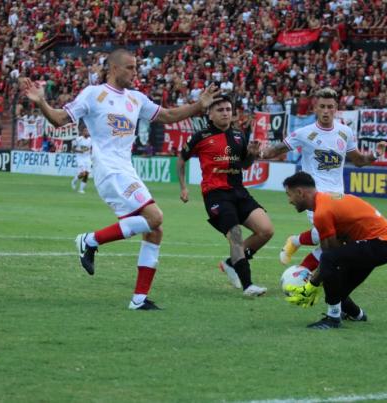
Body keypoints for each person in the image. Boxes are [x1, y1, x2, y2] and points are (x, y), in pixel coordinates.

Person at [19, 48, 221, 310]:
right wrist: (42, 103)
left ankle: (138, 300)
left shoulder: (136, 99)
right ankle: (89, 240)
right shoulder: (94, 94)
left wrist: (199, 105)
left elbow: (169, 116)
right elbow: (59, 120)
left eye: (136, 67)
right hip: (109, 170)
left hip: (126, 170)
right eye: (130, 67)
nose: (135, 72)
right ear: (113, 68)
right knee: (155, 217)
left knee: (155, 231)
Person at [259, 87, 387, 271]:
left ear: (336, 109)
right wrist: (259, 152)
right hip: (315, 196)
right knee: (331, 239)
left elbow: (358, 161)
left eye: (330, 107)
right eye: (322, 106)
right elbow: (276, 150)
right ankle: (302, 274)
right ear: (315, 108)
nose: (326, 111)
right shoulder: (304, 133)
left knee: (338, 239)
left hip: (338, 196)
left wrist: (374, 155)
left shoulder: (345, 132)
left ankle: (296, 246)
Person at [177, 95, 272, 297]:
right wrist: (183, 187)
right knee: (235, 236)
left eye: (228, 109)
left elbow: (244, 165)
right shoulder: (200, 137)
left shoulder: (239, 135)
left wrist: (252, 154)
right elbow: (181, 159)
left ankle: (232, 263)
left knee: (266, 230)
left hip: (239, 192)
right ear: (210, 114)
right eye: (220, 110)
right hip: (216, 195)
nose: (225, 113)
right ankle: (248, 285)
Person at [281, 171, 387, 330]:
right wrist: (319, 280)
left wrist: (311, 285)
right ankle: (357, 315)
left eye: (289, 195)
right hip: (382, 244)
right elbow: (333, 254)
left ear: (300, 192)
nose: (289, 201)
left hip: (380, 244)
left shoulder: (322, 211)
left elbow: (330, 256)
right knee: (337, 288)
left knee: (330, 264)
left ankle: (333, 318)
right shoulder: (325, 201)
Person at [70, 126, 92, 194]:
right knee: (83, 173)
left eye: (87, 131)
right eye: (85, 131)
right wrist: (80, 151)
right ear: (82, 132)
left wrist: (91, 151)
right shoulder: (78, 139)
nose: (87, 132)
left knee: (87, 174)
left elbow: (91, 148)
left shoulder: (91, 140)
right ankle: (74, 181)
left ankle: (81, 189)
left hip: (88, 158)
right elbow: (72, 149)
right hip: (80, 158)